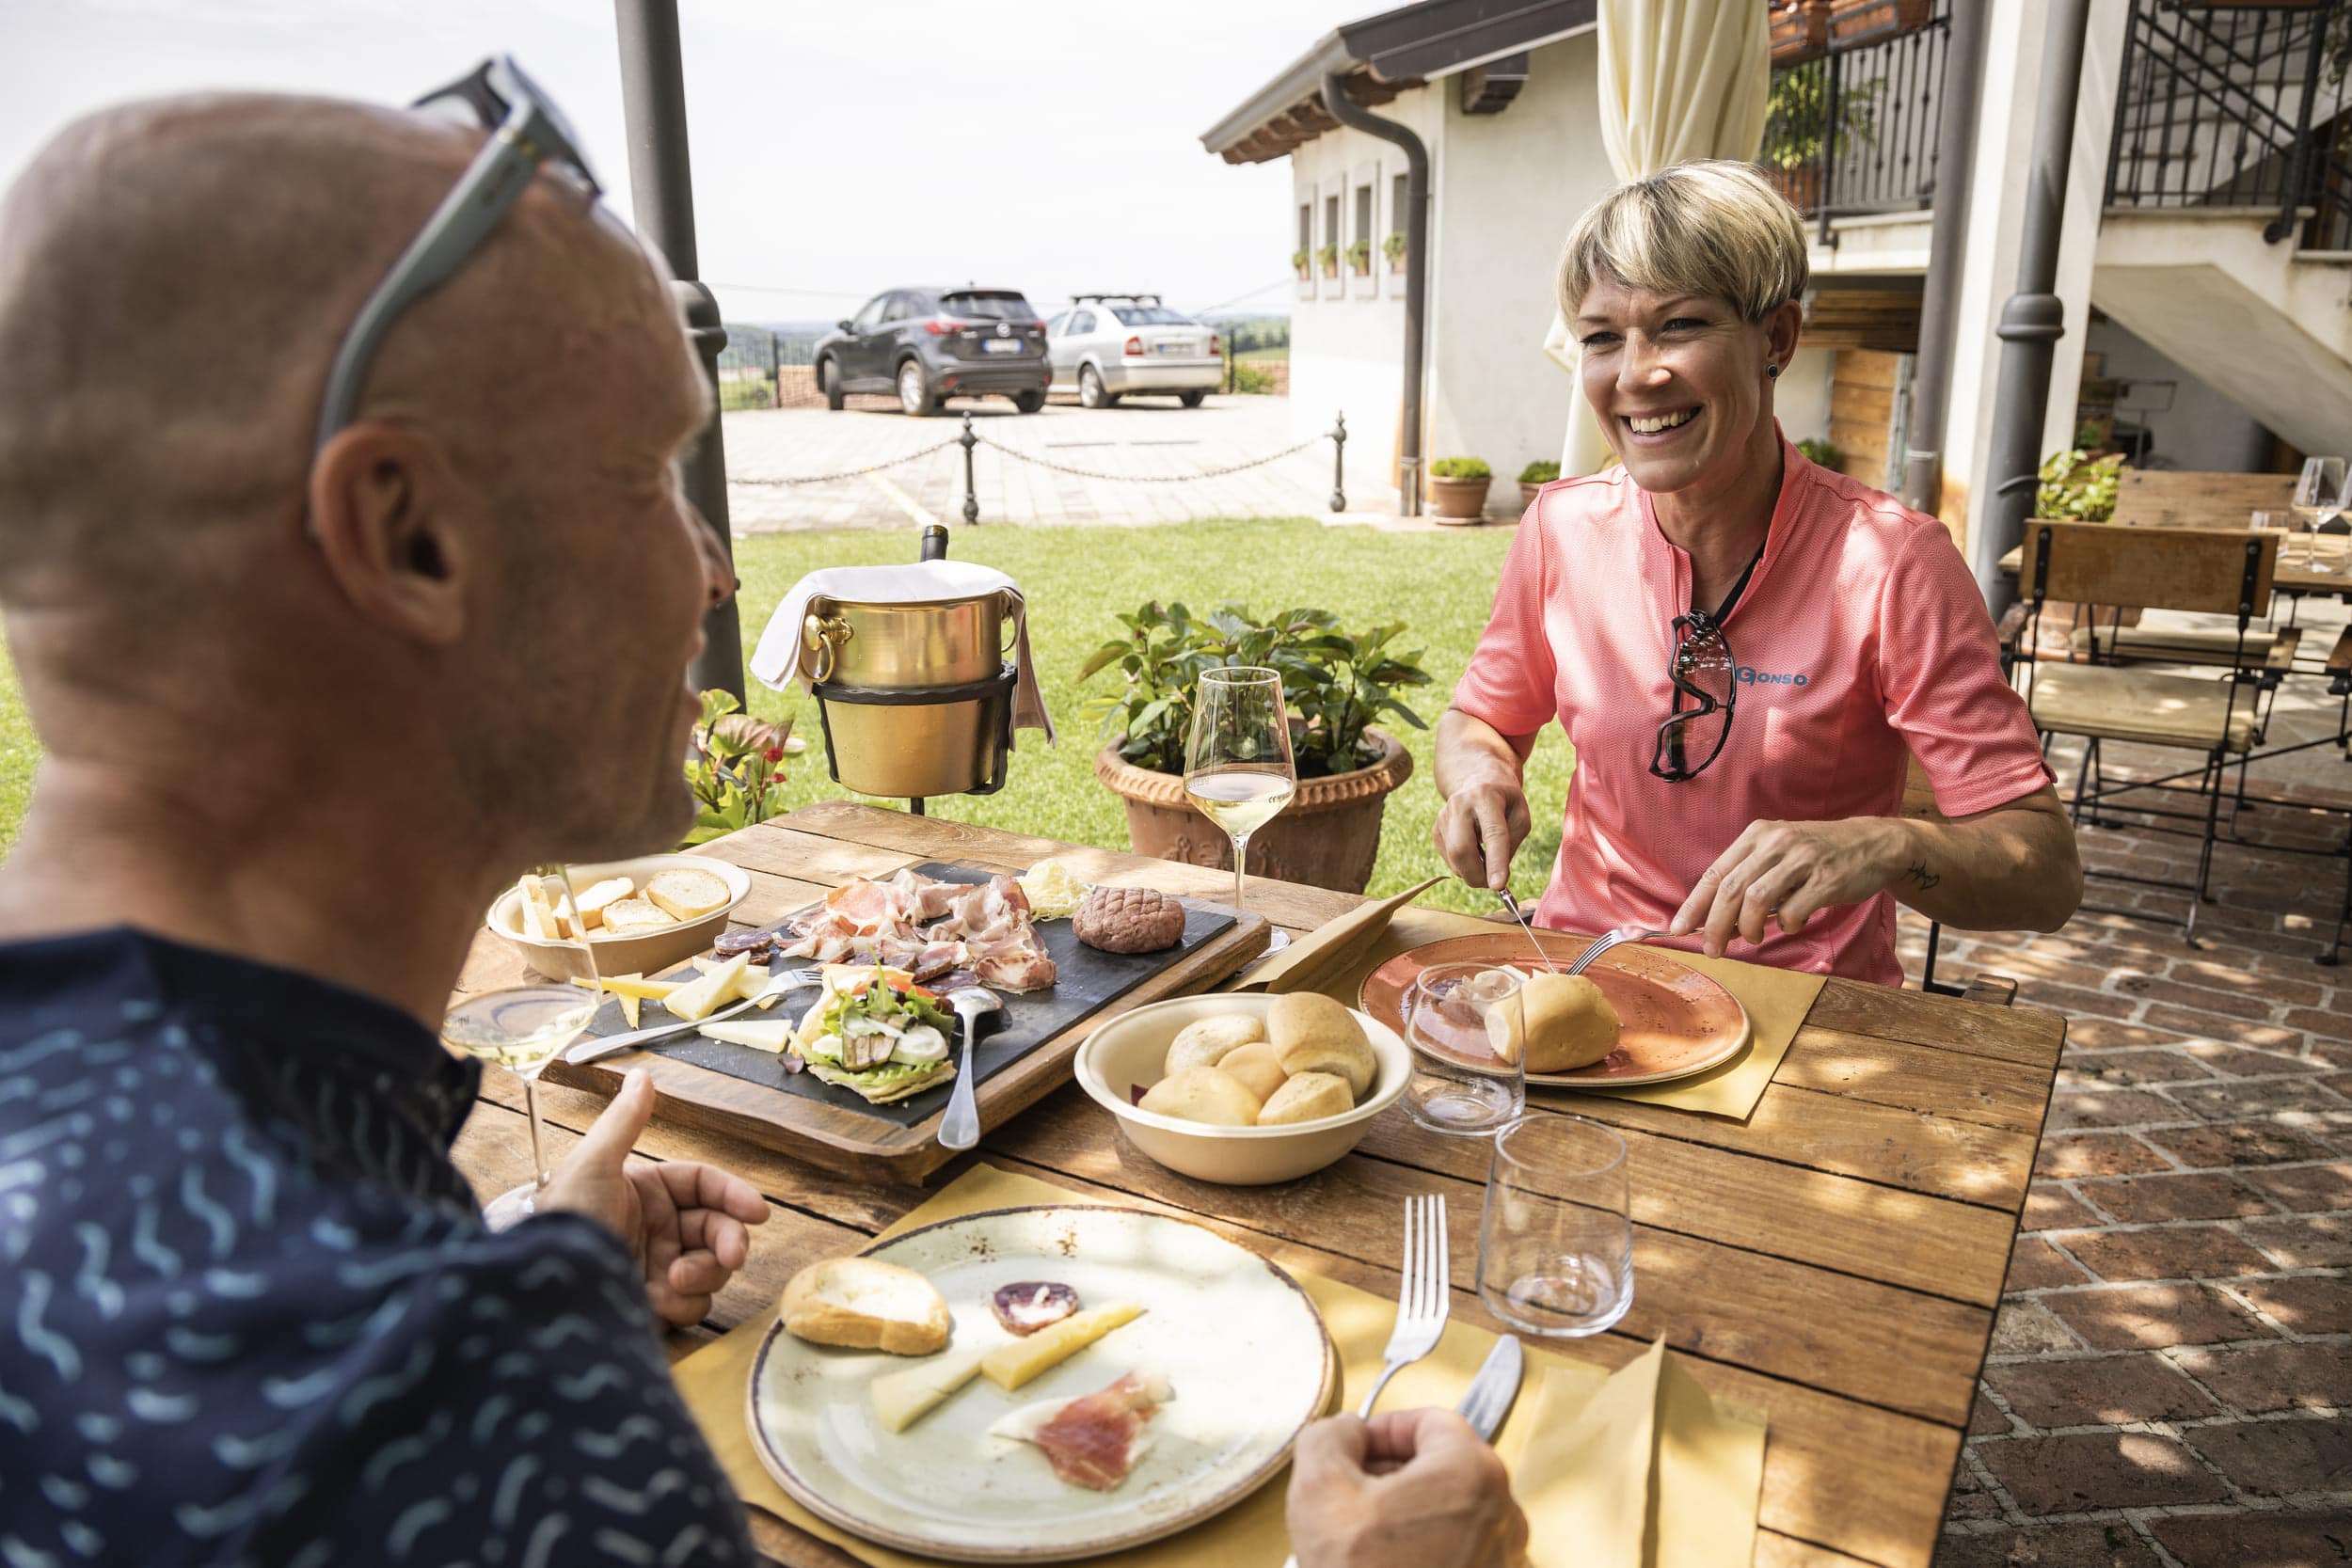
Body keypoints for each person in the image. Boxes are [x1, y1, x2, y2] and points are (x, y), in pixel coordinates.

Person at [0, 83, 1523, 1567]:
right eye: (649, 478)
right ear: (410, 535)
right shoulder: (442, 1388)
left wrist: (533, 1265)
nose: (716, 572)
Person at [1433, 162, 2080, 984]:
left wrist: (1889, 844)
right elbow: (1479, 717)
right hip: (1586, 975)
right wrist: (1482, 775)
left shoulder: (1893, 564)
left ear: (1775, 339)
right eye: (1602, 337)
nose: (1635, 373)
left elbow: (2047, 873)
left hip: (1800, 1013)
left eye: (1680, 325)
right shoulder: (1560, 527)